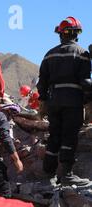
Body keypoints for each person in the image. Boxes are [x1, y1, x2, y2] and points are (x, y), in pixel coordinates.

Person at [38, 16, 92, 187]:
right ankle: (67, 175)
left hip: (54, 102)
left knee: (54, 137)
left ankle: (48, 175)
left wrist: (44, 101)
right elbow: (85, 82)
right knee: (69, 137)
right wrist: (88, 98)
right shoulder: (82, 54)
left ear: (60, 34)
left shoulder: (49, 54)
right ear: (77, 34)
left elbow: (42, 83)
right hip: (73, 102)